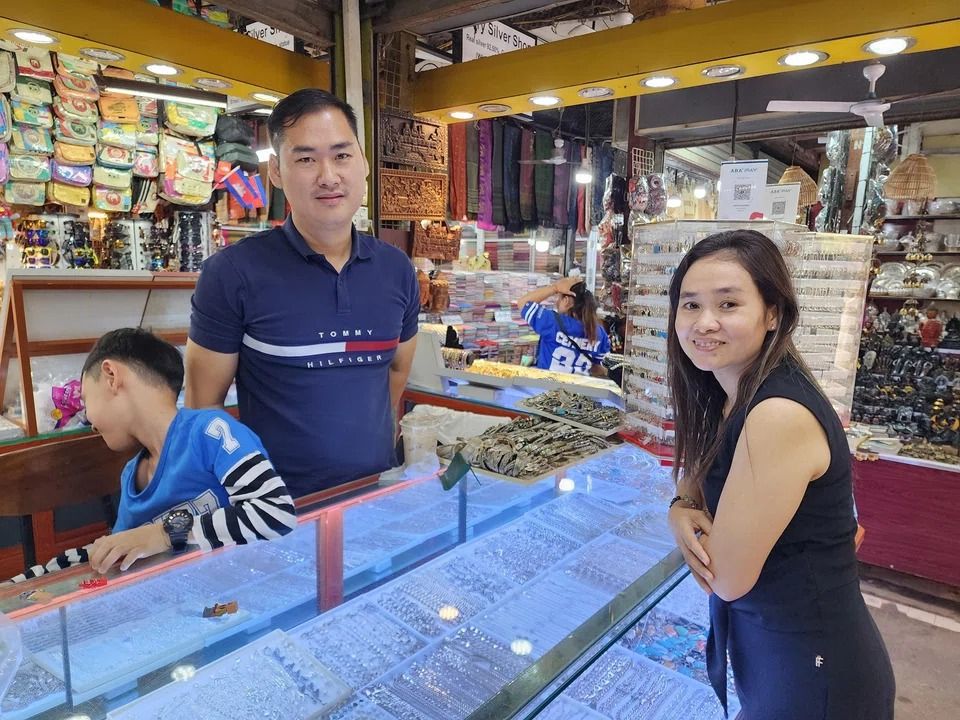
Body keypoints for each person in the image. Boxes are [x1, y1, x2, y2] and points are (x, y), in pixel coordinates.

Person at [665, 230, 894, 719]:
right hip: (776, 648)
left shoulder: (776, 414)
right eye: (690, 305)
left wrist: (694, 518)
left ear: (772, 314)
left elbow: (725, 578)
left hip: (813, 667)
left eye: (728, 304)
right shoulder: (729, 394)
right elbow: (697, 480)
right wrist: (680, 510)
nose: (705, 323)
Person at [186, 89, 420, 497]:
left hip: (377, 496)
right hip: (273, 511)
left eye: (342, 155)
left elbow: (395, 373)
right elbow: (204, 411)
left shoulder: (396, 269)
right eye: (306, 158)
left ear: (363, 162)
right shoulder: (232, 273)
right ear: (276, 171)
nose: (328, 176)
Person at [6, 328, 296, 583]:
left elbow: (276, 512)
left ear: (111, 375)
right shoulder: (131, 475)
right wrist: (18, 585)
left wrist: (163, 534)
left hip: (245, 599)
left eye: (85, 400)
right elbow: (114, 551)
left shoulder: (210, 431)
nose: (90, 420)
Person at [516, 276, 610, 376]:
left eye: (559, 298)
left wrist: (555, 288)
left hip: (549, 388)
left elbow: (522, 303)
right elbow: (599, 368)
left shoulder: (552, 321)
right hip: (580, 389)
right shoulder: (599, 332)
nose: (557, 302)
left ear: (566, 301)